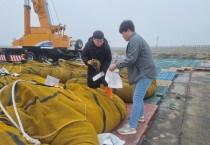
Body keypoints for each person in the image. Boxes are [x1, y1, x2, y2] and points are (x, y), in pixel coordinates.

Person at [109, 20, 156, 134]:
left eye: (123, 33)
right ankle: (141, 116)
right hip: (143, 73)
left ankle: (132, 127)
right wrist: (119, 63)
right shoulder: (136, 39)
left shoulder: (135, 40)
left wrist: (116, 66)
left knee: (137, 98)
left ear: (128, 31)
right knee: (137, 96)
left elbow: (131, 59)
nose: (122, 36)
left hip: (144, 73)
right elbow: (132, 57)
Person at [82, 30, 113, 98]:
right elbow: (83, 55)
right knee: (92, 84)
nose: (99, 43)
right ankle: (94, 98)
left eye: (101, 41)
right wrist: (87, 61)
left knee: (106, 83)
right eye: (97, 41)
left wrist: (104, 70)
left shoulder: (106, 46)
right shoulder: (88, 45)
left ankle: (110, 98)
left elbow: (108, 59)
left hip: (103, 68)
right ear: (93, 39)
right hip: (92, 68)